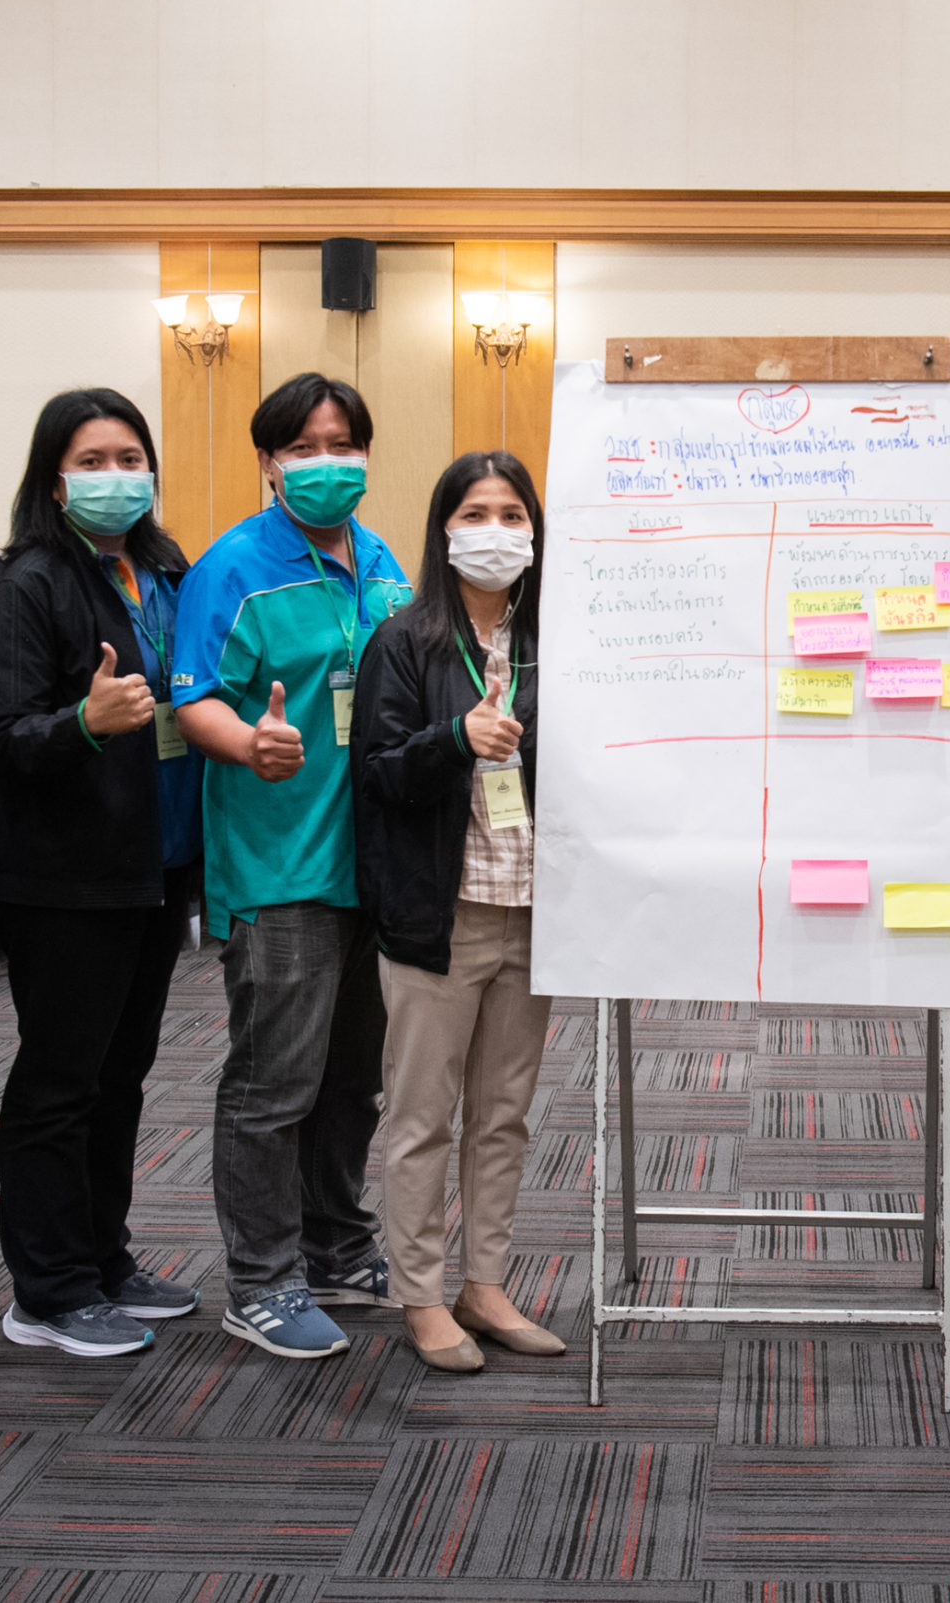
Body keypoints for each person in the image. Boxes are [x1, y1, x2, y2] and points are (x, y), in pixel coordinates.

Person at [171, 373, 410, 1358]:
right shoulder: (231, 567)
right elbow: (193, 697)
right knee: (273, 1085)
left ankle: (334, 1244)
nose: (325, 463)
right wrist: (248, 742)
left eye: (342, 444)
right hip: (279, 867)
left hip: (372, 867)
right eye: (302, 447)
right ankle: (261, 1281)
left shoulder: (382, 559)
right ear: (268, 462)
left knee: (352, 1081)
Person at [0, 387, 204, 1358]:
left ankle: (104, 1258)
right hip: (67, 876)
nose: (118, 477)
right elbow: (1, 738)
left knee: (121, 1076)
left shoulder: (164, 567)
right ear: (54, 478)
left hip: (157, 861)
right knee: (59, 1082)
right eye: (93, 462)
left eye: (131, 459)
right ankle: (47, 1288)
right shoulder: (25, 584)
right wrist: (82, 722)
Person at [354, 450, 560, 1372]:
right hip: (439, 916)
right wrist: (454, 737)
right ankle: (422, 1294)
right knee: (422, 1115)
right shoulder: (405, 641)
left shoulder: (556, 641)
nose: (495, 531)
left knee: (504, 1114)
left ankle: (486, 1283)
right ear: (444, 529)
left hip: (535, 910)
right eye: (475, 513)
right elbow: (378, 774)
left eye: (512, 514)